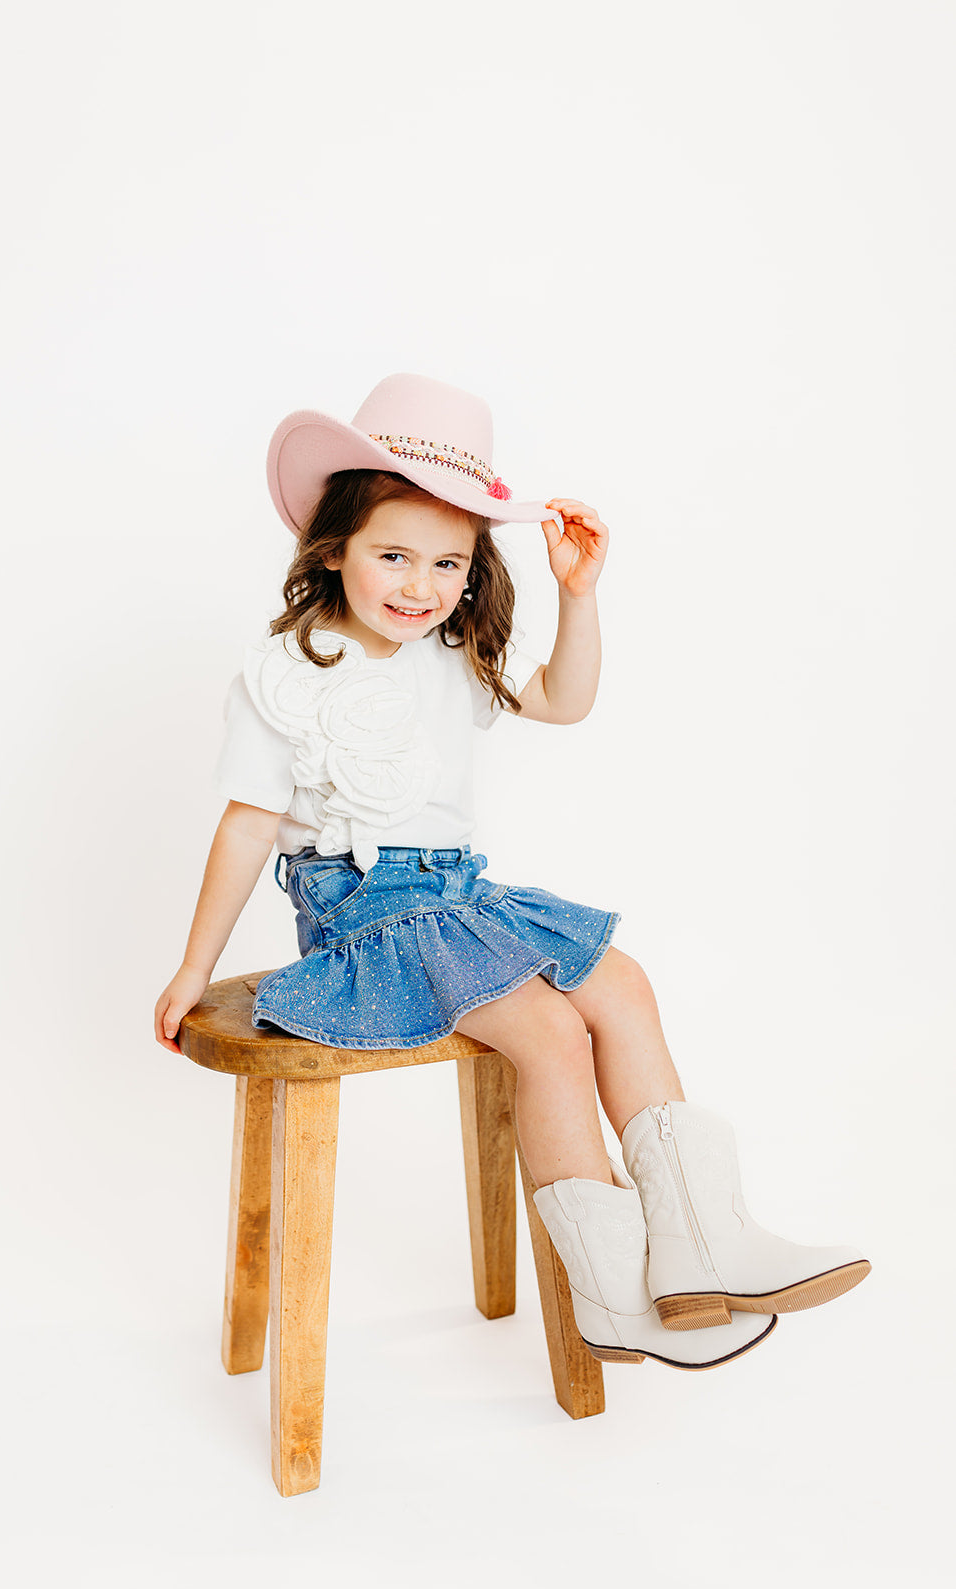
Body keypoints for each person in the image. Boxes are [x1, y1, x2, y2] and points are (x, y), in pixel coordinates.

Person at [154, 373, 869, 1372]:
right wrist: (194, 969)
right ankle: (608, 1291)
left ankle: (704, 1245)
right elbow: (244, 828)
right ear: (333, 549)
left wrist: (578, 595)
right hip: (365, 918)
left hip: (458, 898)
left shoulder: (453, 651)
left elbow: (563, 701)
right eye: (391, 554)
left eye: (446, 561)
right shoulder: (293, 670)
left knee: (619, 983)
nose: (419, 583)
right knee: (544, 1031)